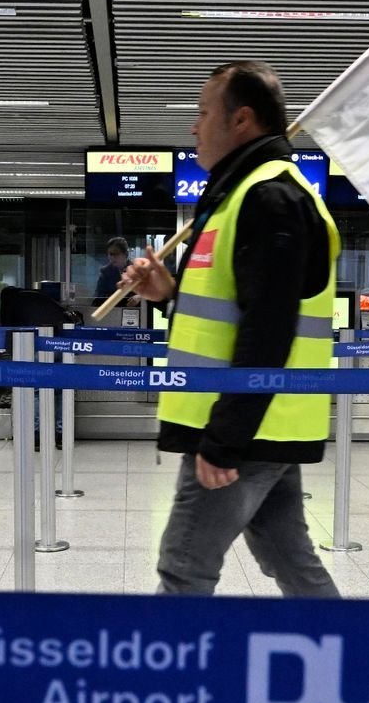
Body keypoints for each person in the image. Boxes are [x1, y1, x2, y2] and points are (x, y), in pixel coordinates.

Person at [120, 59, 342, 598]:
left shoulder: (269, 197)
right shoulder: (240, 196)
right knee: (290, 560)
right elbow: (233, 312)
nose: (194, 127)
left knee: (184, 566)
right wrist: (167, 294)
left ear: (241, 120)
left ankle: (164, 682)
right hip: (264, 421)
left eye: (202, 114)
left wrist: (224, 440)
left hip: (243, 424)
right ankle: (352, 662)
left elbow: (269, 328)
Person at [94, 238, 131, 302]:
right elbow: (99, 296)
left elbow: (148, 292)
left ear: (126, 254)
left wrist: (139, 297)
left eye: (116, 253)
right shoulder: (105, 272)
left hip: (136, 310)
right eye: (110, 254)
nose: (112, 257)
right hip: (112, 309)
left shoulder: (137, 270)